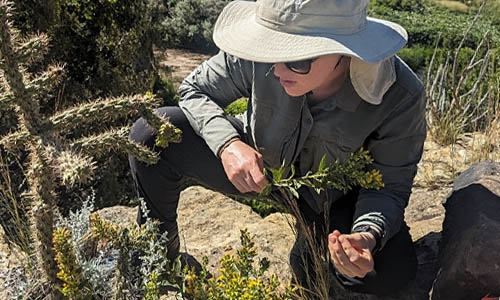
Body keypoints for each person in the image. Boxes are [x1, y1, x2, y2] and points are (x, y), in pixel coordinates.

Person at [128, 0, 426, 297]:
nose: (277, 69)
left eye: (296, 58)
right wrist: (228, 145)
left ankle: (311, 251)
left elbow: (388, 188)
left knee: (386, 272)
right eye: (270, 52)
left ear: (344, 49)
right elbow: (194, 90)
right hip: (257, 165)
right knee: (153, 134)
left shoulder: (399, 95)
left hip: (331, 199)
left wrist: (365, 237)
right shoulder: (264, 58)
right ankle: (159, 260)